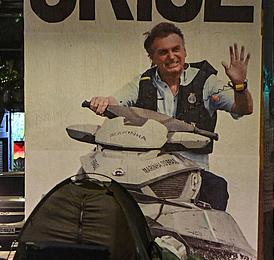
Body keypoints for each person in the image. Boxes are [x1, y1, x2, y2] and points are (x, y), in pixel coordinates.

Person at [88, 21, 253, 210]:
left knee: (217, 187)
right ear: (152, 58)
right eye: (163, 52)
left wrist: (240, 86)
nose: (171, 56)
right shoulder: (142, 83)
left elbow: (243, 108)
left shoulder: (207, 82)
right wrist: (103, 101)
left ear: (185, 51)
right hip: (149, 173)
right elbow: (117, 100)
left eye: (176, 49)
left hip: (192, 174)